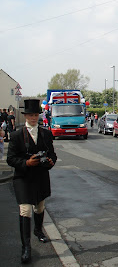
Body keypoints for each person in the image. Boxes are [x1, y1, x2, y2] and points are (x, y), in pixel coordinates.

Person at [7, 99, 57, 263]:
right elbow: (11, 159)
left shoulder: (46, 134)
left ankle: (38, 230)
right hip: (23, 177)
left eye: (35, 115)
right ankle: (26, 248)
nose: (33, 118)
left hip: (41, 176)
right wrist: (26, 163)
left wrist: (50, 162)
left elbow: (53, 155)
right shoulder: (16, 135)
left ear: (38, 115)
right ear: (26, 116)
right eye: (30, 115)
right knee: (25, 210)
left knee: (40, 206)